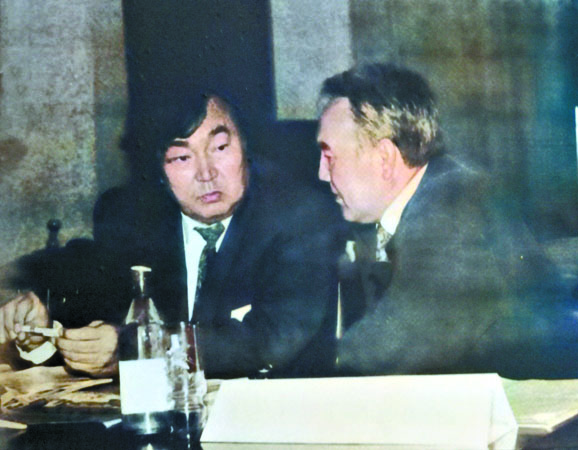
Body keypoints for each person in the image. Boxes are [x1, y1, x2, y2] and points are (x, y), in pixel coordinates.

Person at [1, 92, 342, 378]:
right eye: (181, 157)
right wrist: (42, 321)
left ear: (246, 147)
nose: (206, 174)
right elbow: (89, 285)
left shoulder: (300, 216)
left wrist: (135, 348)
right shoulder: (134, 215)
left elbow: (268, 341)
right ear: (159, 172)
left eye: (220, 148)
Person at [317, 62, 578, 378]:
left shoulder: (452, 202)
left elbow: (403, 340)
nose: (321, 173)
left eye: (329, 156)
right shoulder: (435, 193)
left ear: (385, 158)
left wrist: (308, 372)